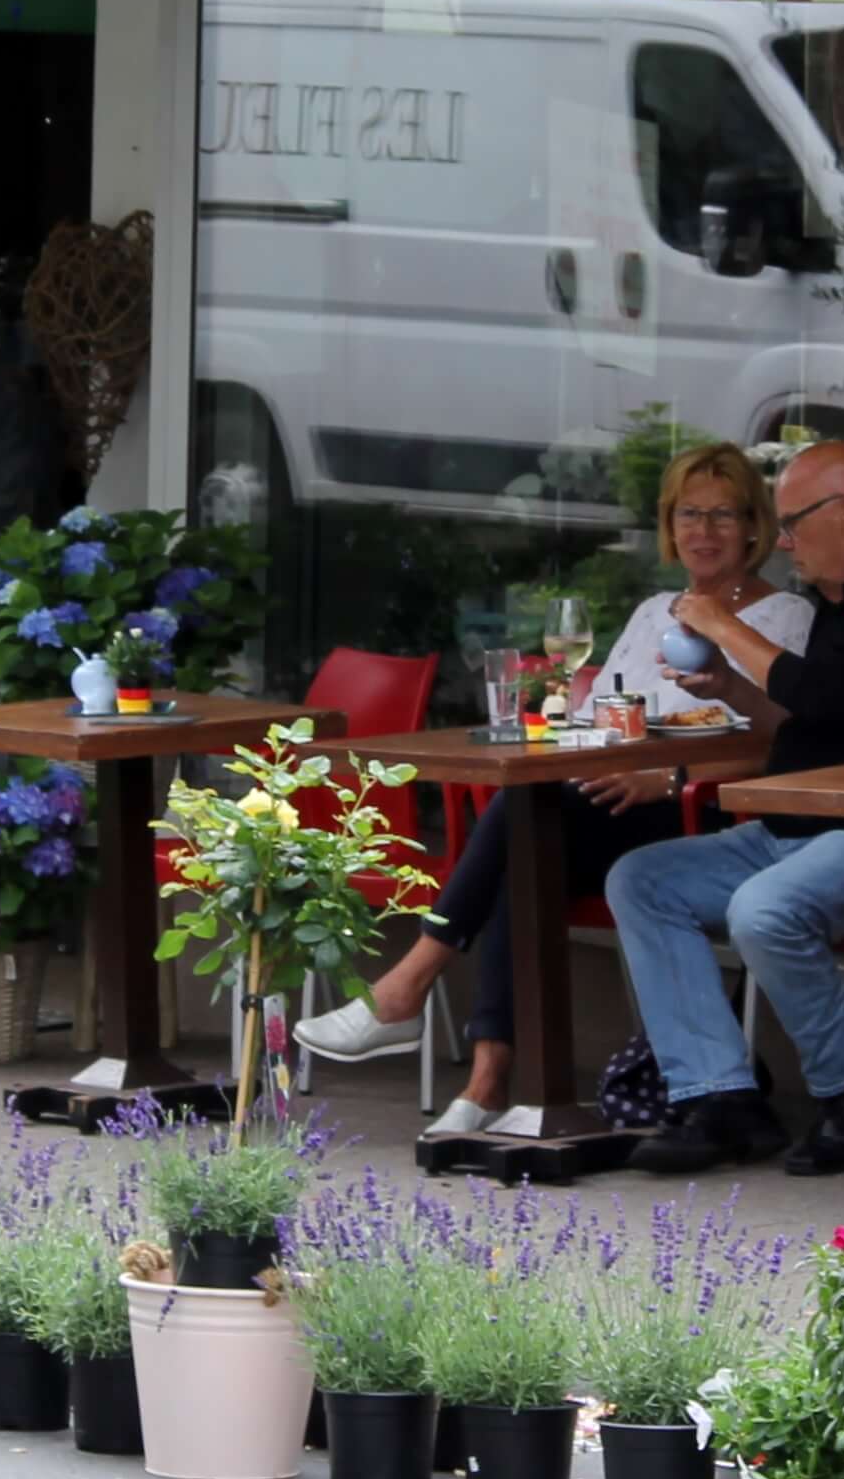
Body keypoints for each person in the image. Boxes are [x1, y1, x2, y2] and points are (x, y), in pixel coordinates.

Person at [288, 443, 815, 1133]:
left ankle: (417, 999)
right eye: (689, 512)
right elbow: (610, 716)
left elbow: (791, 747)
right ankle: (486, 1081)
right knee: (527, 840)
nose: (703, 530)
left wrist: (670, 777)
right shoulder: (656, 608)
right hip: (613, 797)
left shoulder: (786, 618)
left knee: (523, 820)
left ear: (754, 526)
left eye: (722, 514)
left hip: (702, 812)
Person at [609, 441, 844, 1177]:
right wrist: (729, 685)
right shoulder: (840, 599)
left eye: (790, 523)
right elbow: (805, 720)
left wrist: (722, 625)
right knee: (640, 878)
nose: (782, 541)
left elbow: (824, 697)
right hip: (793, 826)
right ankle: (720, 1095)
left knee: (763, 910)